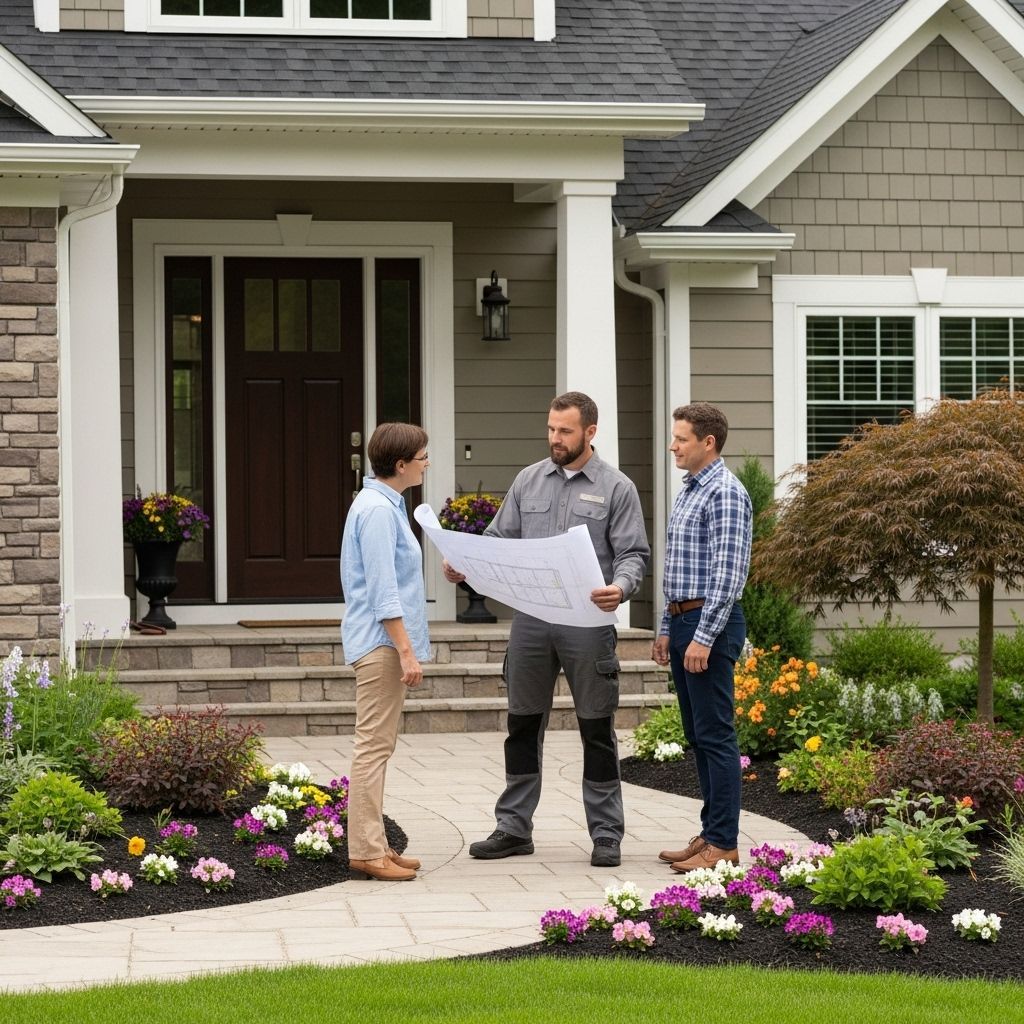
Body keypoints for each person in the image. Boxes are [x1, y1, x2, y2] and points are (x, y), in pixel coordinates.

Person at [445, 391, 650, 867]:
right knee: (522, 725)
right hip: (531, 624)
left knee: (596, 729)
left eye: (566, 431)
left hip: (587, 624)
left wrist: (620, 588)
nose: (555, 439)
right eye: (551, 429)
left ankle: (605, 834)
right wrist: (465, 565)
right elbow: (498, 540)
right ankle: (513, 828)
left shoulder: (617, 488)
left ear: (590, 432)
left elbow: (633, 555)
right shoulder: (528, 481)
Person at [651, 402, 752, 871]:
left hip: (708, 624)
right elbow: (680, 569)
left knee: (715, 735)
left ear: (707, 442)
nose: (673, 445)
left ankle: (724, 844)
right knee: (698, 734)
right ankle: (711, 833)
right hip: (685, 622)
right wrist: (667, 629)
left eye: (681, 438)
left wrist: (703, 637)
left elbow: (727, 576)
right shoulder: (691, 490)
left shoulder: (725, 493)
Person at [341, 422, 431, 882]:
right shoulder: (377, 511)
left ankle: (376, 844)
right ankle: (366, 852)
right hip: (381, 645)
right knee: (372, 747)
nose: (427, 462)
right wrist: (406, 651)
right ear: (401, 465)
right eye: (422, 456)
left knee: (379, 746)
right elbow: (383, 591)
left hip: (384, 643)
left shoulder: (386, 505)